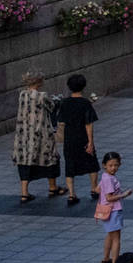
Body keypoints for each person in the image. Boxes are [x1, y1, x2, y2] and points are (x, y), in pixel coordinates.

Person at [11, 73, 62, 202]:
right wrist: (57, 101)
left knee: (24, 162)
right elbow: (51, 107)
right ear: (39, 83)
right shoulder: (41, 96)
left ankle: (24, 193)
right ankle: (53, 187)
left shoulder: (22, 94)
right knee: (50, 158)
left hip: (24, 135)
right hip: (41, 134)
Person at [54, 75, 99, 206]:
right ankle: (94, 189)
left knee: (70, 164)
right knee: (91, 163)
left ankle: (72, 194)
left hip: (69, 138)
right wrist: (90, 142)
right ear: (83, 86)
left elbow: (61, 120)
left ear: (69, 87)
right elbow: (88, 124)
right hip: (82, 137)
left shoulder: (65, 103)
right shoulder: (85, 103)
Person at [95, 151, 130, 263]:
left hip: (106, 211)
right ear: (104, 165)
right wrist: (123, 194)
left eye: (116, 165)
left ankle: (105, 259)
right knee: (116, 239)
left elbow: (97, 189)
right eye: (111, 165)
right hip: (113, 210)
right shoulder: (110, 179)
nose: (113, 168)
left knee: (109, 235)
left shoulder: (104, 176)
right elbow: (109, 197)